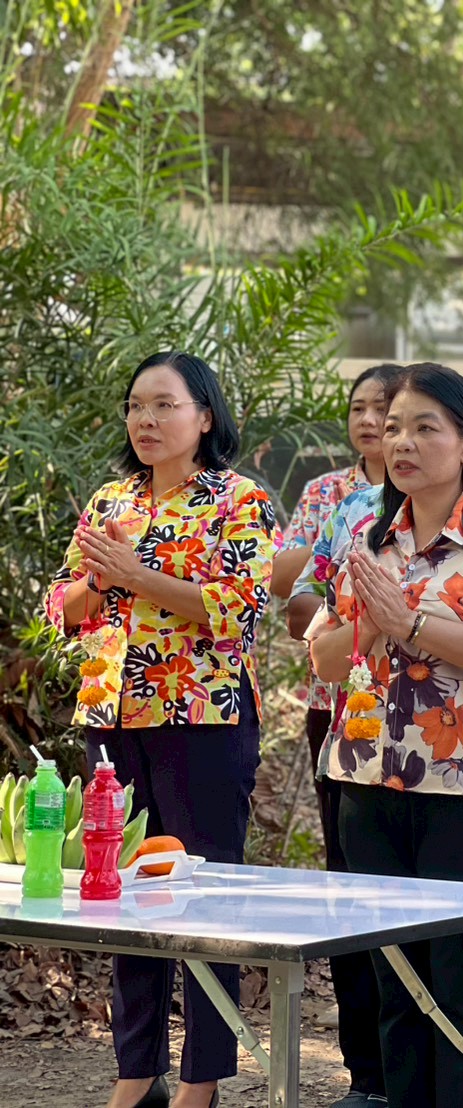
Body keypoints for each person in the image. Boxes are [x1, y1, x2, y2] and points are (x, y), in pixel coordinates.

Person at [307, 363, 463, 1108]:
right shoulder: (370, 535)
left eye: (424, 428)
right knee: (394, 979)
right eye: (393, 429)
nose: (401, 442)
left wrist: (412, 624)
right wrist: (373, 628)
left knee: (461, 977)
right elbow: (323, 654)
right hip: (366, 779)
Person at [46, 351, 277, 1108]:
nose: (145, 420)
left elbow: (237, 610)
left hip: (200, 716)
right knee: (119, 897)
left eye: (164, 405)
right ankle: (134, 1072)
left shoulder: (239, 500)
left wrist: (136, 573)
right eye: (136, 406)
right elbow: (66, 610)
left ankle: (201, 1080)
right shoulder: (111, 499)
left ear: (204, 416)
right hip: (113, 715)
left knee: (203, 902)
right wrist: (97, 580)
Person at [277, 362, 401, 1108]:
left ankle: (420, 1066)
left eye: (385, 409)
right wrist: (319, 599)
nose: (370, 422)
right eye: (359, 408)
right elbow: (293, 594)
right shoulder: (333, 496)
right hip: (340, 710)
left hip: (428, 723)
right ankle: (367, 1072)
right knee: (352, 886)